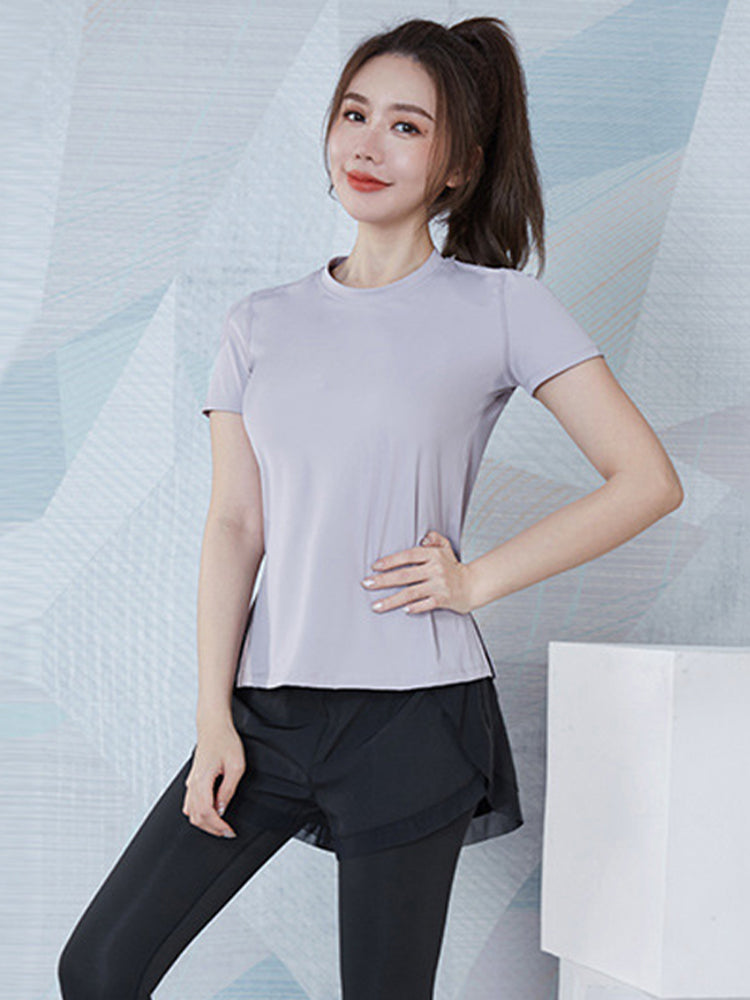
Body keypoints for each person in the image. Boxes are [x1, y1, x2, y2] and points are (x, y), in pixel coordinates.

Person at [57, 14, 683, 1000]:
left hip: (415, 720)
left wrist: (477, 580)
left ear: (457, 166)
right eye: (355, 114)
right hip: (265, 712)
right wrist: (214, 716)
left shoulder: (501, 307)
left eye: (406, 126)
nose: (368, 143)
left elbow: (647, 480)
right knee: (100, 965)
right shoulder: (258, 323)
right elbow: (236, 527)